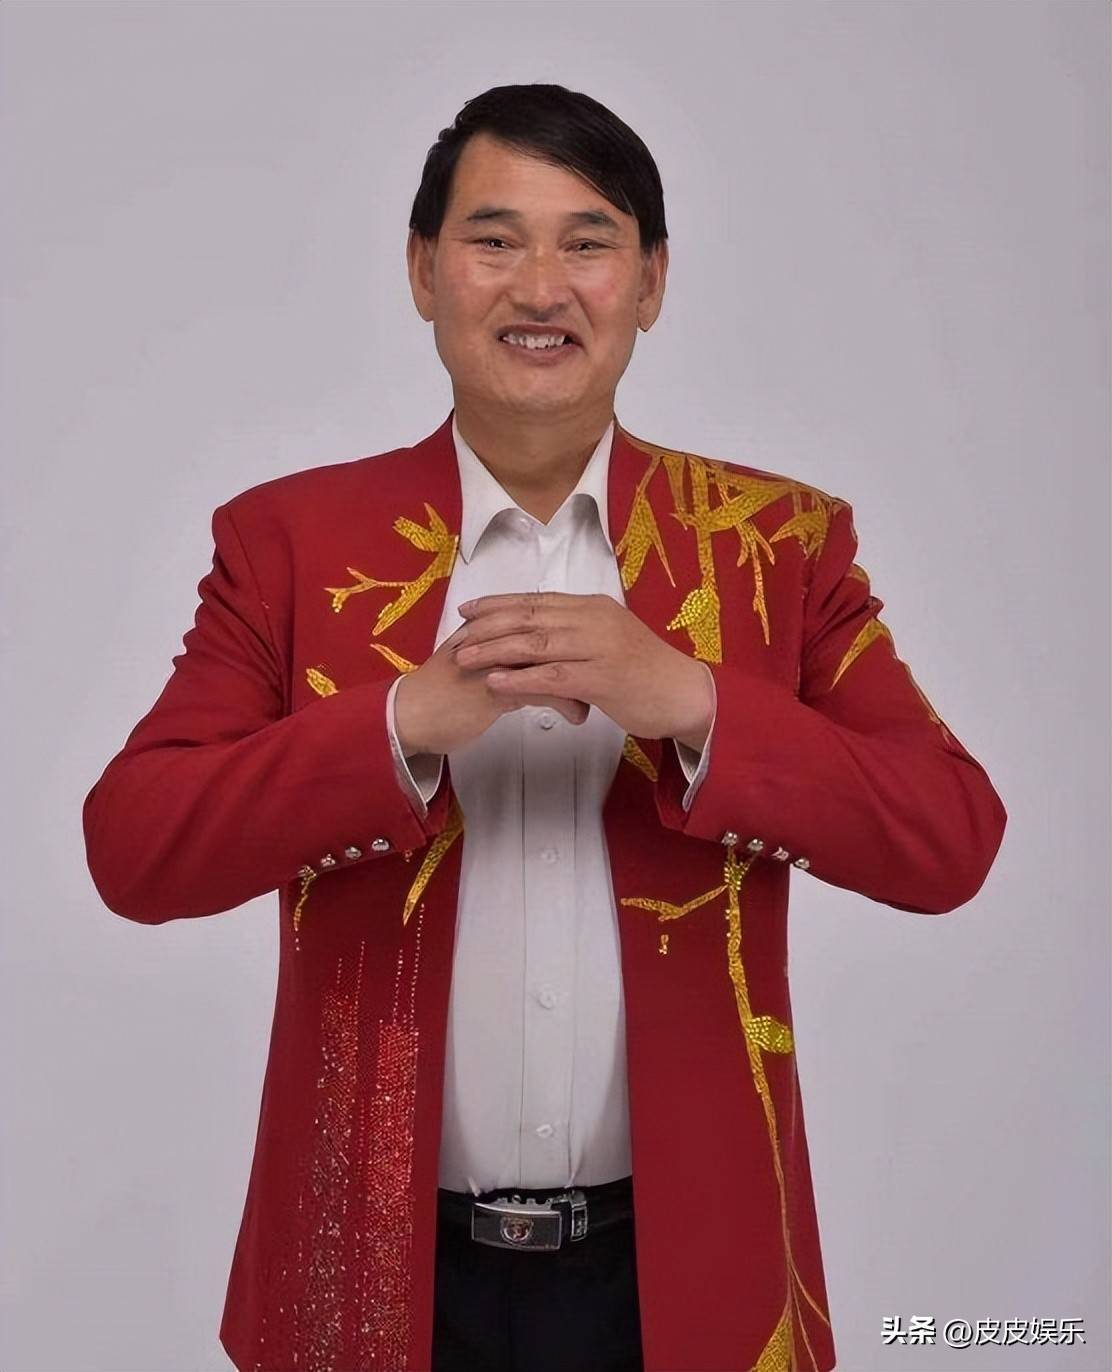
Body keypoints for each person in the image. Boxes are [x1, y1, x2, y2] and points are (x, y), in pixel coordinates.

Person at [82, 82, 1008, 1372]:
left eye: (588, 242)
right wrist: (404, 721)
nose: (540, 286)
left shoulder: (775, 547)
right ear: (422, 271)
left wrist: (689, 700)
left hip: (691, 1278)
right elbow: (135, 848)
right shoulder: (288, 542)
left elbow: (951, 839)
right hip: (369, 1273)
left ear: (652, 281)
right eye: (494, 238)